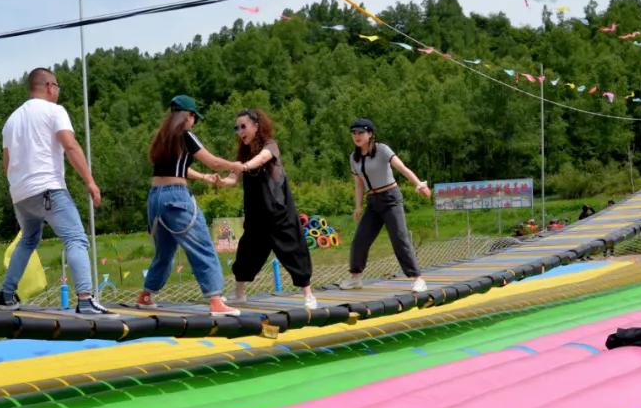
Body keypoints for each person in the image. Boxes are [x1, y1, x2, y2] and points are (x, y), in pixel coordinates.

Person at [0, 67, 110, 315]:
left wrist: (19, 188)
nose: (58, 91)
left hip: (21, 194)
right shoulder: (54, 111)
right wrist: (90, 181)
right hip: (48, 188)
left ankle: (6, 294)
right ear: (49, 86)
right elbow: (70, 145)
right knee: (76, 239)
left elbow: (6, 162)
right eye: (57, 86)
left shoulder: (11, 120)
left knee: (28, 239)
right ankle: (85, 299)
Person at [135, 95, 243, 315]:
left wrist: (204, 178)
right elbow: (212, 161)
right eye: (195, 118)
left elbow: (176, 169)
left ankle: (146, 295)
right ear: (189, 116)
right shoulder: (186, 135)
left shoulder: (162, 137)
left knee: (165, 251)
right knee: (203, 246)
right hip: (176, 197)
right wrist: (237, 166)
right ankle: (216, 300)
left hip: (155, 199)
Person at [214, 109, 318, 309]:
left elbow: (261, 159)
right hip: (256, 215)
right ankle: (239, 293)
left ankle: (308, 294)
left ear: (256, 126)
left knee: (294, 250)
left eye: (243, 126)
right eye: (237, 128)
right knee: (247, 252)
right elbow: (232, 178)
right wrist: (219, 181)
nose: (240, 131)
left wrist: (243, 167)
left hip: (279, 212)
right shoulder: (243, 153)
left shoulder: (271, 146)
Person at [338, 118, 431, 293]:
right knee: (360, 240)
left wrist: (419, 184)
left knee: (399, 238)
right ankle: (355, 278)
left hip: (391, 199)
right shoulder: (354, 158)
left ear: (370, 134)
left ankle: (417, 278)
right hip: (372, 202)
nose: (357, 136)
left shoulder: (381, 149)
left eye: (361, 132)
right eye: (354, 133)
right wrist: (358, 206)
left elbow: (402, 168)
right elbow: (358, 184)